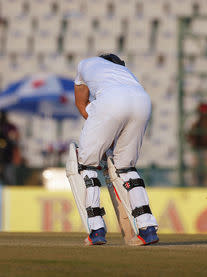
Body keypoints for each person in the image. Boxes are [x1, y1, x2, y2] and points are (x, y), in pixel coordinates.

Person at [73, 54, 158, 245]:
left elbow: (81, 103)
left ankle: (96, 230)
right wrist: (106, 134)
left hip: (112, 102)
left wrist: (101, 136)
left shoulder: (85, 64)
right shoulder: (124, 71)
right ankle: (148, 229)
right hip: (143, 101)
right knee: (126, 168)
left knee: (86, 165)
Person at [187, 103, 207, 186]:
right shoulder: (196, 124)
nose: (205, 115)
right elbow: (190, 137)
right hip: (198, 152)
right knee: (196, 175)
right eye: (204, 113)